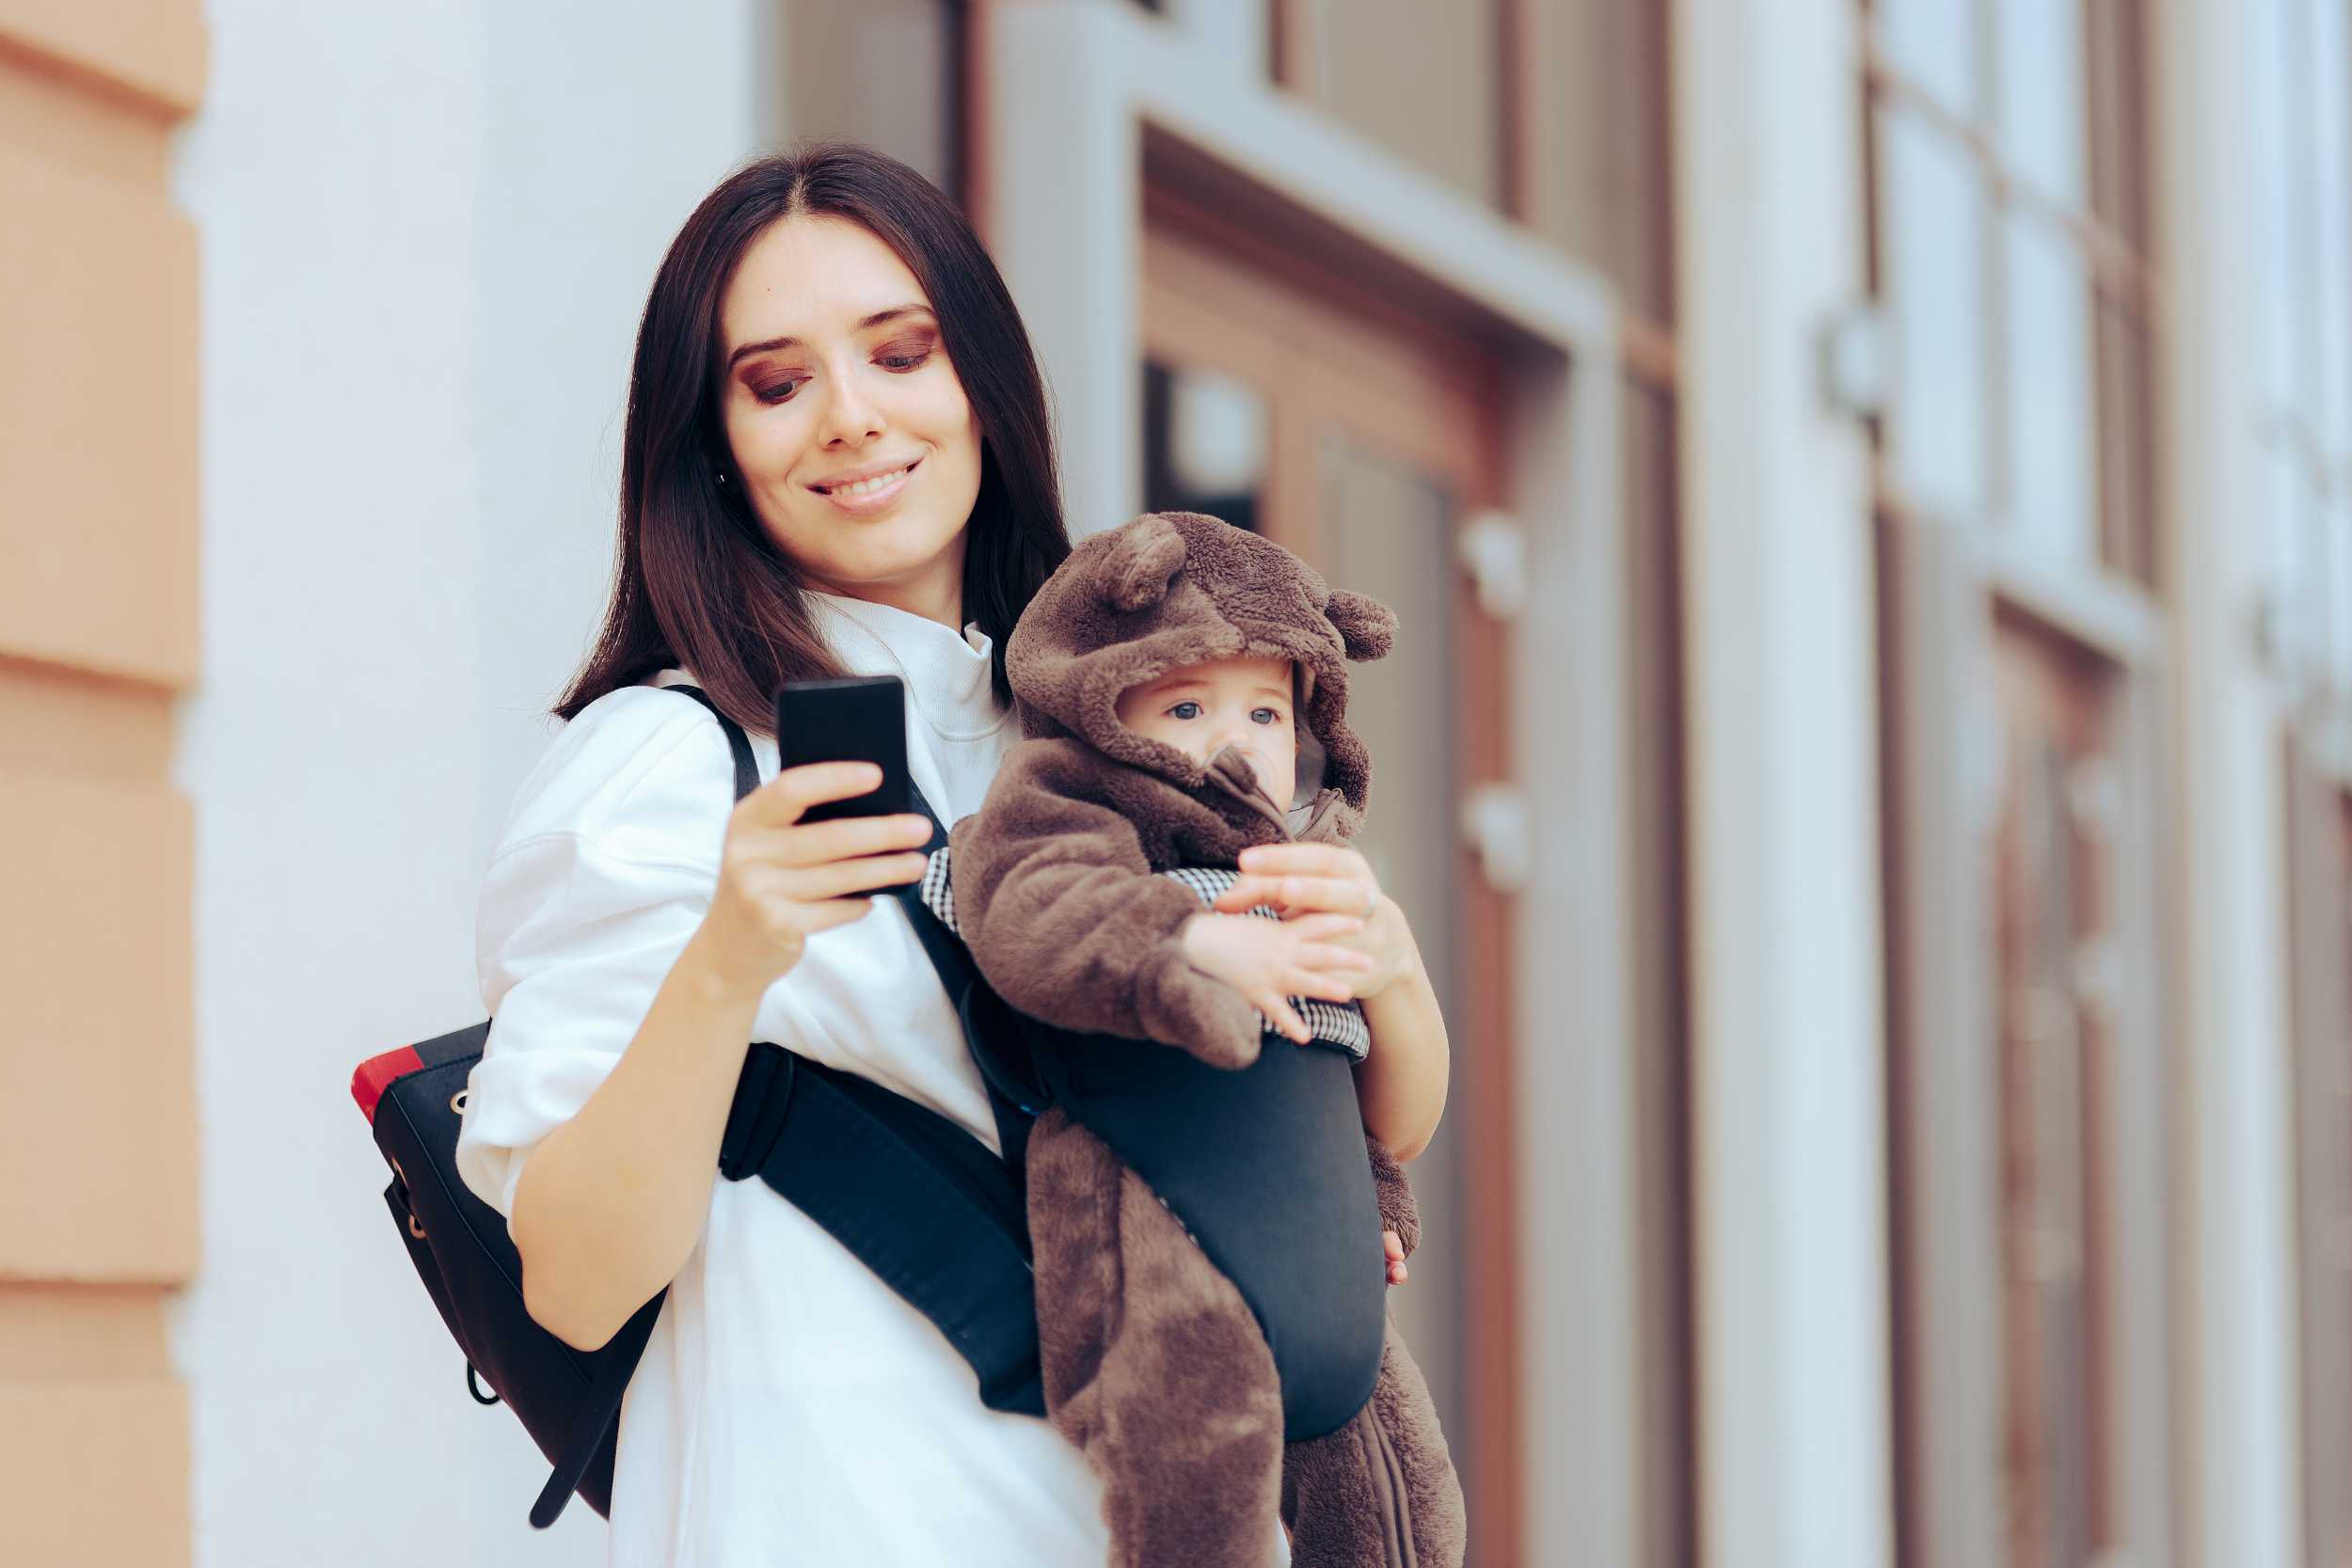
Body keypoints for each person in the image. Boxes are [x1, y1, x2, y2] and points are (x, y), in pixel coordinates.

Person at [452, 144, 1453, 1568]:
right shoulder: (670, 761)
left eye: (902, 352)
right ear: (715, 449)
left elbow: (1348, 1112)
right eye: (777, 381)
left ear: (979, 379)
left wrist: (1373, 989)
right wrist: (732, 956)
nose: (852, 419)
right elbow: (574, 1275)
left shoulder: (1104, 731)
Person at [944, 510, 1463, 1568]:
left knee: (1406, 1503)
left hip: (1322, 1249)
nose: (1236, 742)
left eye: (1267, 712)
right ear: (1102, 709)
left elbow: (1392, 1116)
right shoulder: (1066, 810)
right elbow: (1034, 915)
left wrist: (1393, 977)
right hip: (1160, 1228)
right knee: (1195, 1464)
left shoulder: (1301, 869)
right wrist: (1190, 947)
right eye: (1187, 704)